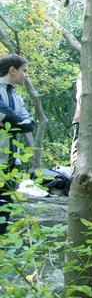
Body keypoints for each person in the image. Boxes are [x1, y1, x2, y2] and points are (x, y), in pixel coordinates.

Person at [0, 54, 35, 235]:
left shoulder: (17, 99)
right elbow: (3, 112)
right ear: (12, 70)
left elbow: (30, 123)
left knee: (6, 209)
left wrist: (10, 123)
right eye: (24, 71)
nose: (26, 75)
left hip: (12, 163)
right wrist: (17, 122)